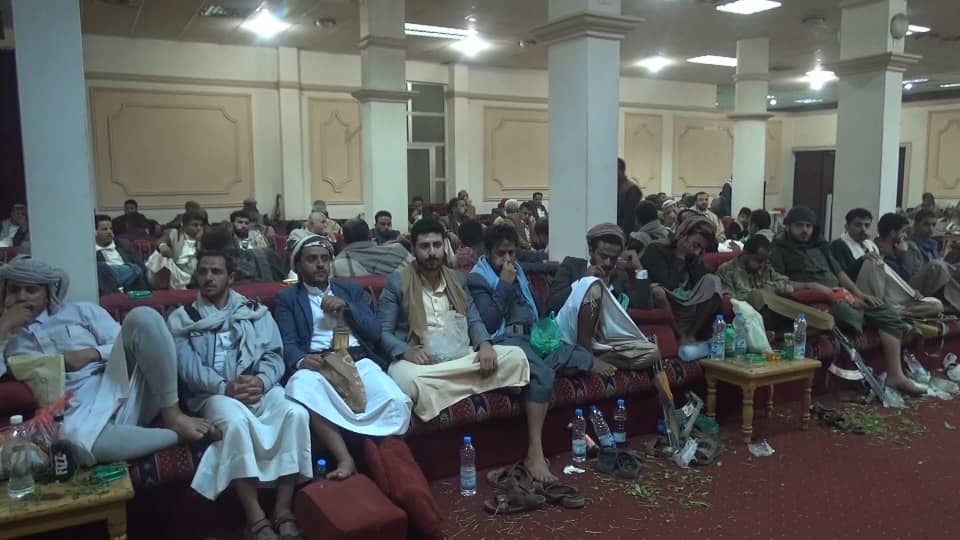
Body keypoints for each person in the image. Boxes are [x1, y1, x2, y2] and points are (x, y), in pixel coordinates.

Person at [0, 257, 217, 467]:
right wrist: (4, 327)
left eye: (31, 290)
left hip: (120, 382)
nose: (22, 297)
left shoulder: (80, 311)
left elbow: (123, 339)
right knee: (73, 445)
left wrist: (91, 354)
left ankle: (173, 416)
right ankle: (177, 436)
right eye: (15, 290)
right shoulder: (5, 337)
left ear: (47, 293)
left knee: (143, 317)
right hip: (75, 411)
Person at [168, 251, 310, 539]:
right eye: (203, 272)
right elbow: (188, 368)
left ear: (230, 277)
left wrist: (261, 380)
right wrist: (225, 387)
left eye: (216, 272)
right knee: (235, 423)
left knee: (296, 413)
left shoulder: (255, 311)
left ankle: (283, 509)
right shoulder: (182, 319)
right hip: (213, 394)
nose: (208, 278)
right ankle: (255, 518)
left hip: (257, 387)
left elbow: (274, 354)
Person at [278, 235, 412, 480]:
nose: (320, 264)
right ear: (298, 265)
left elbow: (374, 332)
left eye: (324, 259)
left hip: (357, 359)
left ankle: (383, 457)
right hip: (319, 365)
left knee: (396, 402)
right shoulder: (288, 298)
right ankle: (345, 458)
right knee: (301, 387)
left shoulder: (350, 290)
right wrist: (301, 360)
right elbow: (287, 343)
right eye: (311, 259)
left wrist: (347, 308)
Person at [467, 225, 593, 482]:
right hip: (504, 340)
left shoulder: (520, 271)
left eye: (511, 252)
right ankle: (535, 455)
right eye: (500, 253)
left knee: (582, 358)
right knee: (543, 375)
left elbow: (538, 282)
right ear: (487, 253)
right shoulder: (477, 279)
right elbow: (488, 323)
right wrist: (504, 284)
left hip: (532, 338)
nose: (507, 259)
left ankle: (519, 380)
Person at [377, 219, 530, 423]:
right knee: (414, 381)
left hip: (459, 354)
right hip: (421, 362)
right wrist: (407, 352)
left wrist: (485, 345)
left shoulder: (457, 279)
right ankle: (482, 383)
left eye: (437, 245)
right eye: (424, 246)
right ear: (413, 249)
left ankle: (449, 391)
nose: (432, 252)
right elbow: (383, 331)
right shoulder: (397, 283)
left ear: (444, 246)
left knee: (516, 357)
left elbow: (473, 319)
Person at [769, 206, 922, 395]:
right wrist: (811, 285)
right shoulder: (779, 250)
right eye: (799, 225)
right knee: (848, 311)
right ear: (789, 226)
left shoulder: (820, 246)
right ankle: (865, 319)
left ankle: (896, 376)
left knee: (886, 312)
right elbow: (777, 282)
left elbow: (839, 274)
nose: (804, 230)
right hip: (818, 298)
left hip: (842, 293)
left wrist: (860, 294)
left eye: (808, 226)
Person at [547, 223, 651, 373]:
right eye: (603, 256)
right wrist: (583, 281)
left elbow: (643, 304)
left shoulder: (619, 277)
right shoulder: (572, 265)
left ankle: (591, 360)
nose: (608, 263)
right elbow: (553, 303)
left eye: (613, 259)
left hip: (604, 342)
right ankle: (585, 355)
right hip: (571, 334)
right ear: (591, 251)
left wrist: (639, 268)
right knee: (593, 286)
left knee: (652, 352)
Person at [717, 235, 835, 330]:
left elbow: (787, 285)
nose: (762, 265)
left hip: (774, 311)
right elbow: (730, 302)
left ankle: (824, 323)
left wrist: (770, 288)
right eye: (758, 260)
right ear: (745, 254)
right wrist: (761, 293)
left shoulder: (765, 268)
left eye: (765, 261)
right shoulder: (726, 271)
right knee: (760, 296)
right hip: (747, 317)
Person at [640, 216, 723, 344]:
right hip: (666, 302)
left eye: (701, 249)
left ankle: (691, 335)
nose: (697, 252)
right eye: (696, 245)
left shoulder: (694, 258)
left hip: (687, 306)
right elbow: (668, 285)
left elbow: (700, 286)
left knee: (713, 281)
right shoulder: (656, 249)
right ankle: (680, 336)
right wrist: (680, 256)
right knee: (657, 291)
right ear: (683, 235)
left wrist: (696, 262)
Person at [871, 213, 949, 317]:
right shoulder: (880, 251)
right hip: (899, 292)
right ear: (893, 233)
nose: (906, 235)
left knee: (938, 304)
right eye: (903, 231)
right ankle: (899, 312)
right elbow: (903, 277)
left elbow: (913, 271)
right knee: (937, 266)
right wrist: (904, 253)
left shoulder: (896, 246)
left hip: (911, 290)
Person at [332, 219, 413, 277]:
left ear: (343, 239)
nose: (386, 227)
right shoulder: (397, 250)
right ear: (370, 235)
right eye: (382, 224)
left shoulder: (339, 263)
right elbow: (417, 274)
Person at [146, 210, 205, 289]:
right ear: (184, 225)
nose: (199, 228)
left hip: (192, 273)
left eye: (201, 225)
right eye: (195, 225)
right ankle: (163, 288)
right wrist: (163, 246)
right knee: (158, 257)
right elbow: (161, 241)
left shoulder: (204, 237)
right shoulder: (175, 233)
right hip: (174, 271)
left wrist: (199, 241)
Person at [95, 214, 145, 294]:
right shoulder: (91, 252)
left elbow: (141, 267)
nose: (109, 232)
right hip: (109, 289)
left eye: (111, 229)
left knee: (136, 270)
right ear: (95, 232)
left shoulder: (124, 244)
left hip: (131, 285)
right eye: (104, 229)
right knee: (103, 269)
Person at [829, 208, 878, 277]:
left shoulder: (871, 245)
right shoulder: (838, 245)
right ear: (847, 227)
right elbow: (842, 275)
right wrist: (862, 259)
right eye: (858, 225)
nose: (863, 229)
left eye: (867, 225)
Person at [617, 158, 643, 237]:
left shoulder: (631, 189)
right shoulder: (616, 186)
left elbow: (629, 218)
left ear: (620, 170)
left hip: (624, 234)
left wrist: (623, 237)